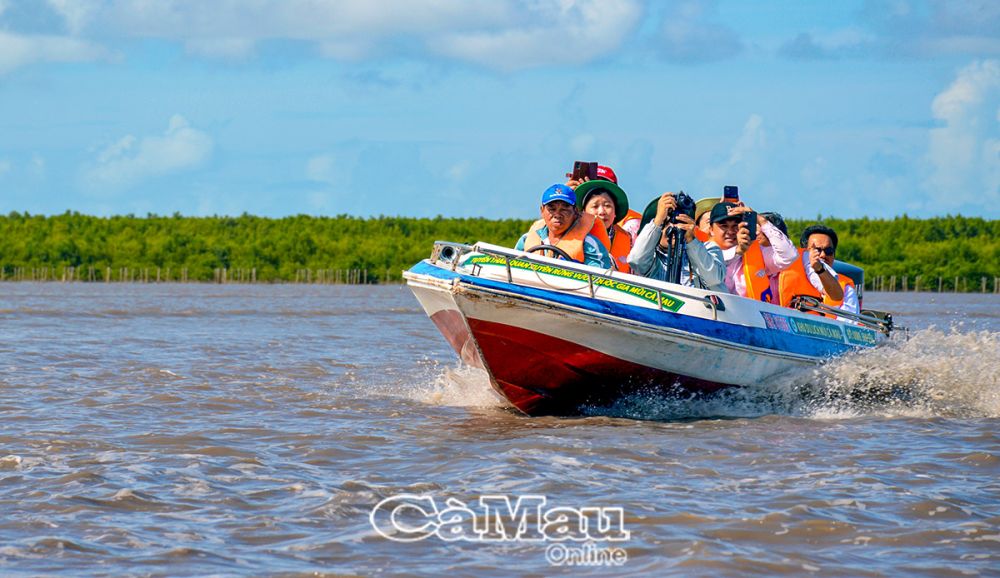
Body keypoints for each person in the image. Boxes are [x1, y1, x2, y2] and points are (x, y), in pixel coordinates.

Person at [626, 192, 726, 291]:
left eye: (680, 222)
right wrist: (658, 220)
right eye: (666, 223)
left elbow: (714, 278)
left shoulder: (708, 249)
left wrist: (691, 240)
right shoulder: (652, 258)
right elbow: (635, 260)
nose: (674, 227)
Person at [710, 202, 797, 302]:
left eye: (735, 226)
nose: (730, 232)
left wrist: (760, 220)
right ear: (711, 229)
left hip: (750, 311)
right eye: (724, 226)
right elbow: (711, 266)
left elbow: (789, 255)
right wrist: (738, 251)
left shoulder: (757, 252)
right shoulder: (703, 251)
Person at [515, 184, 612, 269]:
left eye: (564, 209)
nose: (557, 214)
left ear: (575, 211)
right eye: (552, 209)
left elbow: (600, 278)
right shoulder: (526, 239)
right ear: (542, 210)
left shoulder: (589, 244)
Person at [778, 224, 859, 315]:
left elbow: (849, 321)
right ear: (805, 252)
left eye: (828, 251)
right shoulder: (782, 267)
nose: (823, 255)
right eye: (817, 250)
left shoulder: (845, 288)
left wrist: (820, 269)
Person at [574, 179, 632, 273]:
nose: (602, 212)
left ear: (615, 212)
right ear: (583, 211)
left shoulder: (629, 240)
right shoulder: (571, 233)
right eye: (595, 206)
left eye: (607, 206)